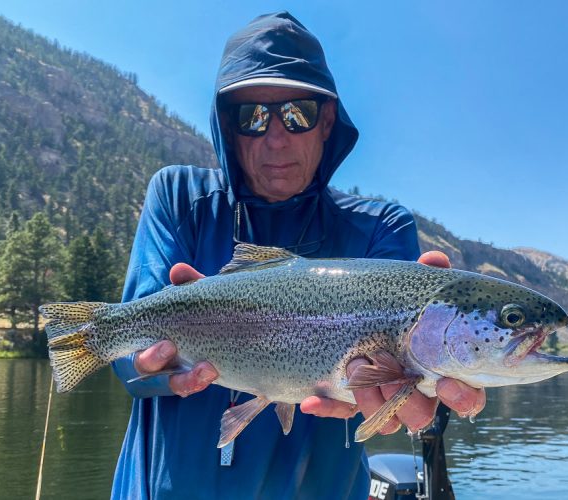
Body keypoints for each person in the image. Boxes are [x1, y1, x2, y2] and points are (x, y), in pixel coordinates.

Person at [111, 12, 485, 499]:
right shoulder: (179, 197)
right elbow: (124, 357)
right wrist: (150, 366)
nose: (276, 137)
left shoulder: (380, 227)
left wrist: (411, 392)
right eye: (252, 117)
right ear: (228, 125)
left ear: (327, 120)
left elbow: (406, 376)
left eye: (297, 114)